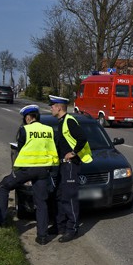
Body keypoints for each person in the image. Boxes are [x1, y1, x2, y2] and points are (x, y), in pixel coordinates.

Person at [0, 105, 60, 245]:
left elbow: (20, 149)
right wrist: (53, 173)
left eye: (25, 118)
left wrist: (15, 169)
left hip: (26, 171)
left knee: (3, 187)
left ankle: (1, 220)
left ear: (28, 117)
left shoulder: (25, 130)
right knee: (41, 203)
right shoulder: (48, 130)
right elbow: (52, 151)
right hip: (43, 171)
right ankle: (42, 237)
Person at [49, 95, 92, 243]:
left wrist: (73, 153)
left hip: (71, 166)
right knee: (60, 196)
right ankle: (59, 225)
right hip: (62, 165)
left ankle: (72, 229)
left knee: (70, 198)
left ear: (59, 107)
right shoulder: (61, 122)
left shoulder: (69, 121)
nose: (51, 109)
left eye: (52, 106)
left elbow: (82, 138)